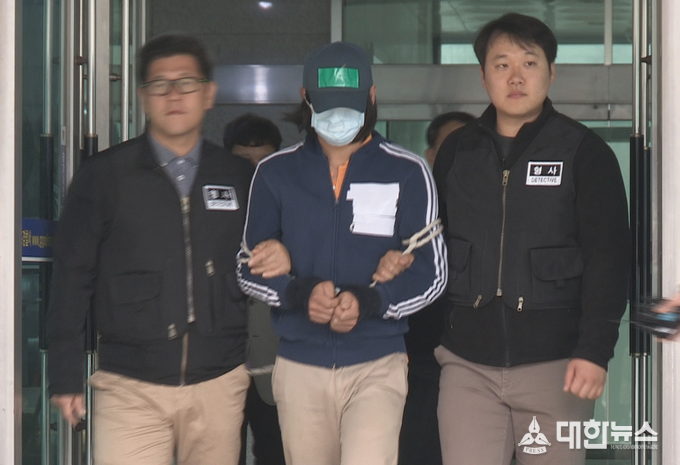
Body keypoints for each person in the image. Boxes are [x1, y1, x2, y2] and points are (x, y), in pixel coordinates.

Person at [47, 34, 289, 465]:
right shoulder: (104, 176)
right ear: (143, 97)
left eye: (187, 83)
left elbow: (273, 250)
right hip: (129, 384)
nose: (174, 94)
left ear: (209, 94)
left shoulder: (238, 177)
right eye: (160, 84)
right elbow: (71, 277)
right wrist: (65, 375)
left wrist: (281, 253)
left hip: (219, 380)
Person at [432, 13, 630, 465]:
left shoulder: (585, 153)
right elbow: (432, 249)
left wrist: (594, 350)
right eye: (501, 65)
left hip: (557, 366)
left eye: (530, 63)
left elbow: (609, 259)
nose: (516, 77)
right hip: (467, 366)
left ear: (551, 72)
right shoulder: (458, 151)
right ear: (483, 76)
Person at [237, 41, 447, 465]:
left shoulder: (407, 171)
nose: (339, 117)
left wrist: (370, 301)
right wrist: (299, 293)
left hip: (377, 362)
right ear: (306, 98)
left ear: (372, 96)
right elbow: (246, 267)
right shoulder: (276, 172)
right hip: (299, 365)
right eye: (327, 105)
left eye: (350, 105)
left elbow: (432, 273)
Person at [398, 111, 474, 465]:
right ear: (430, 155)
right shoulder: (411, 203)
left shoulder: (505, 205)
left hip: (482, 362)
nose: (463, 155)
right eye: (452, 146)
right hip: (420, 361)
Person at [223, 113, 286, 465]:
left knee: (275, 452)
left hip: (273, 363)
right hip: (219, 363)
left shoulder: (292, 209)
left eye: (264, 161)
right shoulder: (209, 211)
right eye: (244, 161)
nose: (254, 172)